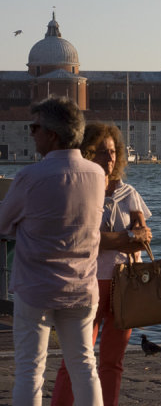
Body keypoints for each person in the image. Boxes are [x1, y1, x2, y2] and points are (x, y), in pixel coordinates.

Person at [0, 97, 104, 406]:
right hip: (82, 287)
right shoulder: (97, 175)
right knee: (84, 367)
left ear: (52, 134)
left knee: (30, 371)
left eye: (35, 128)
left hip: (36, 289)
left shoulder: (29, 177)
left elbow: (3, 224)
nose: (31, 133)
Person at [51, 123, 152, 406]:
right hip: (87, 284)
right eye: (101, 153)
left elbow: (142, 239)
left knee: (113, 361)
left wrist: (117, 238)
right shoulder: (78, 193)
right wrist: (125, 237)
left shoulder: (128, 194)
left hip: (125, 285)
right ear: (86, 154)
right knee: (75, 359)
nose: (109, 159)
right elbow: (84, 239)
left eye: (112, 152)